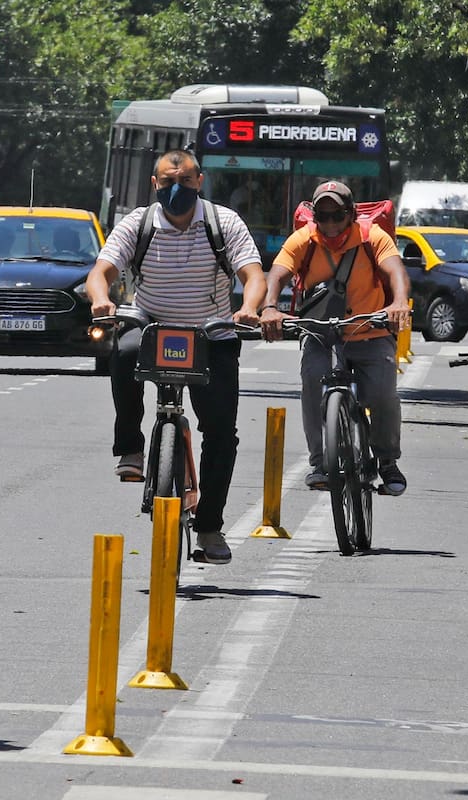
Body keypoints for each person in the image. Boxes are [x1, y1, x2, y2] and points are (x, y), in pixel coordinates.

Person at [86, 149, 266, 565]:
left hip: (212, 332)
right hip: (151, 325)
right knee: (123, 351)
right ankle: (130, 450)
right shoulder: (138, 223)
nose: (176, 190)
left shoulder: (223, 223)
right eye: (168, 183)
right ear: (155, 184)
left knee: (222, 433)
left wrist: (249, 308)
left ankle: (209, 527)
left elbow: (253, 275)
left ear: (199, 181)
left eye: (185, 182)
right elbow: (102, 272)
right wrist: (100, 299)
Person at [259, 180, 412, 495]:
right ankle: (320, 462)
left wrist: (398, 303)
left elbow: (396, 270)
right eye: (322, 217)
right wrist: (270, 308)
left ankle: (386, 461)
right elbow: (278, 272)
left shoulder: (372, 237)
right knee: (313, 381)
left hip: (371, 331)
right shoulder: (305, 239)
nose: (329, 225)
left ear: (352, 214)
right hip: (321, 334)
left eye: (337, 216)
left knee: (383, 395)